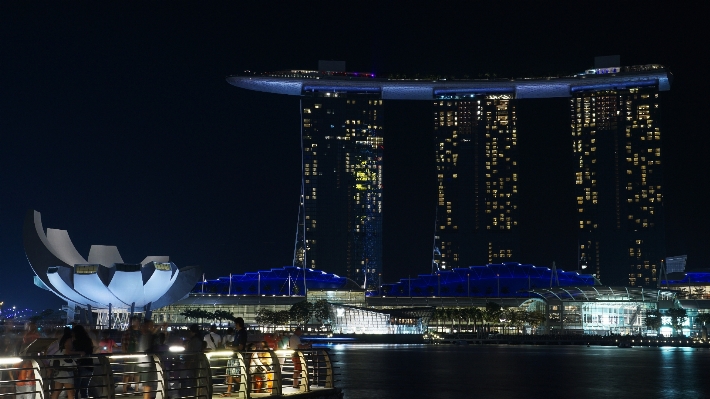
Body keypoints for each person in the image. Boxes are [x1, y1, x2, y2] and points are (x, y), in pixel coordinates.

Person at [220, 318, 246, 397]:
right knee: (230, 374)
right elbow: (237, 344)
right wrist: (231, 345)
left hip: (237, 356)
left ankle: (246, 383)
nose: (235, 326)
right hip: (234, 356)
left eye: (235, 324)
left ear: (238, 324)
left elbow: (240, 347)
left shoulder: (242, 333)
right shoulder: (239, 332)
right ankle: (228, 391)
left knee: (234, 375)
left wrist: (230, 347)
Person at [50, 330, 75, 399]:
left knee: (57, 391)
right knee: (70, 392)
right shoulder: (69, 340)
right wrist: (80, 353)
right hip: (66, 369)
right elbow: (68, 351)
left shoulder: (61, 344)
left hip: (59, 370)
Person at [120, 316, 141, 393]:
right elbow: (123, 345)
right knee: (128, 373)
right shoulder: (128, 333)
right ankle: (125, 390)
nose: (137, 323)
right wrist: (125, 355)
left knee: (136, 374)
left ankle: (135, 389)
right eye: (136, 321)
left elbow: (123, 344)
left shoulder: (139, 332)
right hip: (131, 355)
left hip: (138, 355)